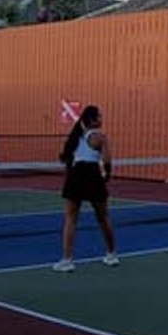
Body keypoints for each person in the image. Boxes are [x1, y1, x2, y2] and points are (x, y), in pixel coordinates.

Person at [53, 104, 119, 272]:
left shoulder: (76, 137)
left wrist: (70, 178)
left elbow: (69, 162)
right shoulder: (100, 137)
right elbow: (107, 161)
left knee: (71, 219)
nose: (102, 119)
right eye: (100, 116)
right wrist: (107, 175)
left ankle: (67, 261)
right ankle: (112, 255)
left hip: (76, 175)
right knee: (103, 217)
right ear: (92, 119)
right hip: (92, 176)